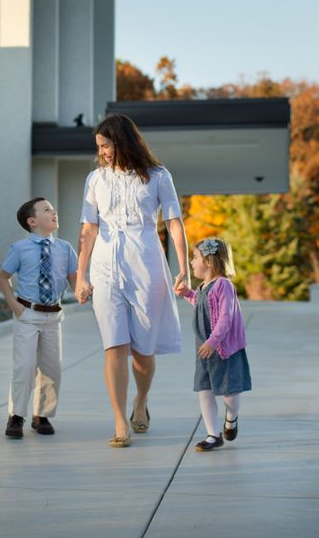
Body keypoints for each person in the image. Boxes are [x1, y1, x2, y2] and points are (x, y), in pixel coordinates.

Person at [76, 113, 189, 447]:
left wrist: (182, 268)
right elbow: (88, 228)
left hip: (146, 262)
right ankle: (119, 420)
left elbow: (174, 223)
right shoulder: (95, 179)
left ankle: (140, 400)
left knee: (142, 350)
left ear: (121, 141)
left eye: (106, 145)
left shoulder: (157, 176)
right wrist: (81, 276)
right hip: (105, 266)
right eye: (99, 147)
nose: (102, 152)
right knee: (115, 344)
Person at [0, 198, 77, 439]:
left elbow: (76, 281)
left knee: (52, 368)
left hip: (53, 316)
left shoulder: (65, 248)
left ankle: (41, 415)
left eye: (53, 209)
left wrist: (86, 289)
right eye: (46, 210)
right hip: (27, 314)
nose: (53, 212)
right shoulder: (20, 248)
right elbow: (4, 277)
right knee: (24, 367)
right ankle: (16, 415)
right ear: (32, 222)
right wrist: (15, 306)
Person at [175, 237, 251, 452]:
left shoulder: (224, 285)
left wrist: (213, 342)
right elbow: (201, 307)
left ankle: (232, 417)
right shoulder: (202, 287)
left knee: (229, 392)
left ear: (208, 262)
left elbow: (225, 318)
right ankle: (212, 434)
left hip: (222, 348)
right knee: (204, 390)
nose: (191, 262)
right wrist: (187, 294)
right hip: (204, 349)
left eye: (195, 257)